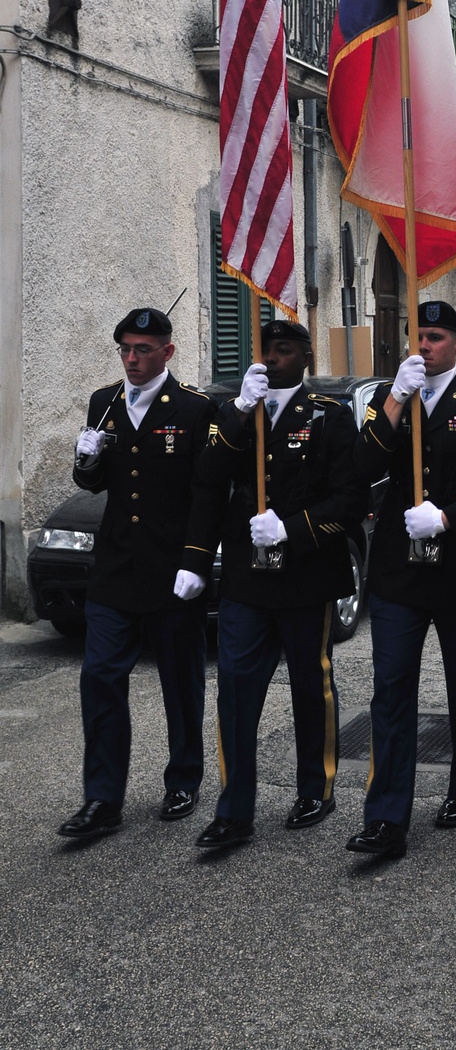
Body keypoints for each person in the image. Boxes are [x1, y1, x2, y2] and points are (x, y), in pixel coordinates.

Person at [184, 320, 366, 851]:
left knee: (311, 686)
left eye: (284, 349)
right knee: (236, 690)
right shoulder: (236, 413)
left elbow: (351, 501)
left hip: (306, 578)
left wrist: (294, 528)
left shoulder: (330, 418)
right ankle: (234, 809)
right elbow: (208, 476)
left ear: (307, 357)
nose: (272, 358)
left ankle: (316, 787)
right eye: (264, 349)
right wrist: (240, 410)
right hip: (246, 580)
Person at [345, 300, 456, 860]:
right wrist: (394, 400)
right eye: (418, 336)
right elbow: (361, 469)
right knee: (391, 690)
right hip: (398, 571)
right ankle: (387, 816)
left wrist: (448, 517)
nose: (425, 345)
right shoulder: (394, 398)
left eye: (436, 337)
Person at [58, 307, 217, 840]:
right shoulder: (105, 403)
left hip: (172, 570)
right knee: (100, 677)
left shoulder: (194, 409)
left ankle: (184, 779)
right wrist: (84, 461)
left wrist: (196, 561)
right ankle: (102, 799)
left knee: (180, 679)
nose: (132, 359)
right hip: (117, 568)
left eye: (143, 349)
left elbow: (207, 494)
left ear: (167, 352)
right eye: (125, 348)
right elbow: (96, 484)